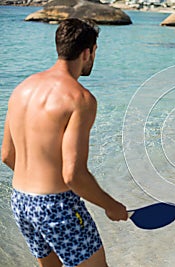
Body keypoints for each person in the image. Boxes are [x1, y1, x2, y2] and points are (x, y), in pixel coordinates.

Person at [1, 18, 128, 266]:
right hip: (56, 207)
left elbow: (6, 154)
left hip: (21, 202)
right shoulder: (80, 99)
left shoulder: (21, 89)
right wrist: (111, 206)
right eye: (95, 52)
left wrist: (38, 185)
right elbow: (73, 175)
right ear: (86, 52)